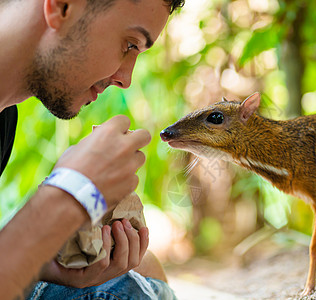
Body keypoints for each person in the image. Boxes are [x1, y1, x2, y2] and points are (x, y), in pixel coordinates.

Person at [0, 0, 184, 299]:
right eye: (129, 44)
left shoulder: (5, 117)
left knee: (139, 269)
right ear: (62, 6)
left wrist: (45, 262)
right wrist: (69, 194)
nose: (125, 79)